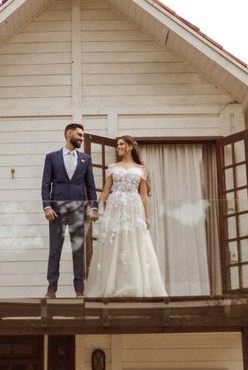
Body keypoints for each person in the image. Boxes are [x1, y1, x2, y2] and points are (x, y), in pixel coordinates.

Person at [85, 135, 168, 297]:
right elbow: (106, 190)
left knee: (133, 243)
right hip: (115, 207)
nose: (118, 147)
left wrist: (146, 216)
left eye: (121, 144)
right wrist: (96, 208)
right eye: (117, 145)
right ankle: (113, 285)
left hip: (133, 207)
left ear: (130, 146)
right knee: (115, 243)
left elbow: (143, 195)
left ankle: (134, 285)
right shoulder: (112, 166)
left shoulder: (141, 169)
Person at [41, 123, 98, 298]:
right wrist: (47, 206)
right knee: (55, 250)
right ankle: (51, 290)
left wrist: (94, 207)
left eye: (82, 135)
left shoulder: (86, 159)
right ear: (69, 134)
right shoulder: (51, 157)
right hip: (56, 210)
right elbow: (45, 184)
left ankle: (79, 290)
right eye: (79, 135)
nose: (82, 138)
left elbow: (90, 185)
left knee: (78, 250)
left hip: (78, 210)